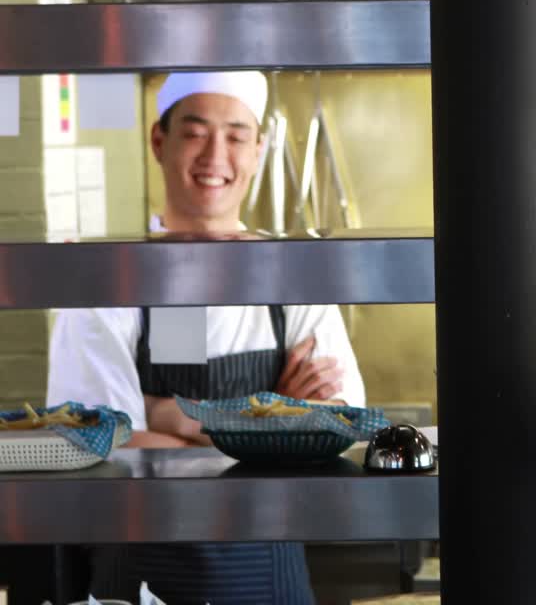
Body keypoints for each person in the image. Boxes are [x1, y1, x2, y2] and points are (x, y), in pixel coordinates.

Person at [46, 71, 366, 604]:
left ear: (258, 149)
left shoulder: (292, 277)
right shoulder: (112, 282)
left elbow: (342, 434)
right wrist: (275, 425)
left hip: (272, 584)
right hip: (139, 582)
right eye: (195, 132)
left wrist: (162, 414)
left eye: (236, 135)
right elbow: (95, 453)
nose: (216, 155)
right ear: (158, 140)